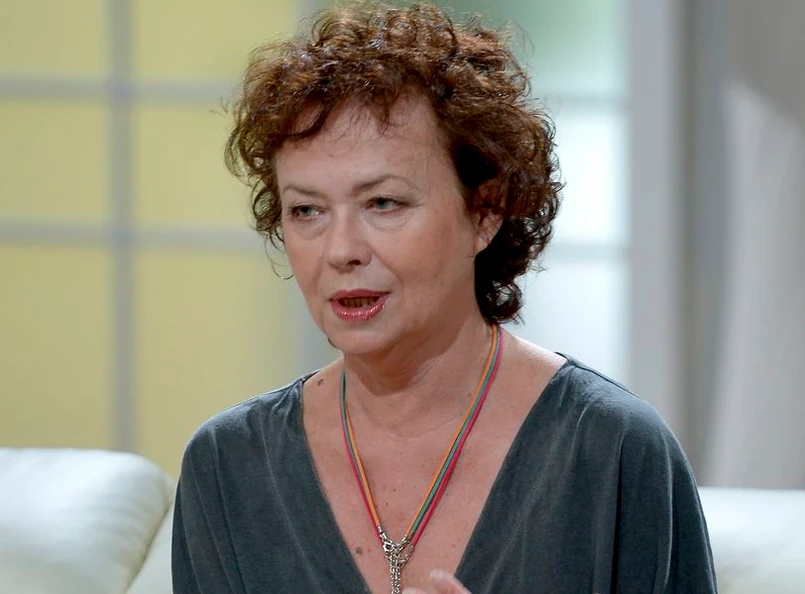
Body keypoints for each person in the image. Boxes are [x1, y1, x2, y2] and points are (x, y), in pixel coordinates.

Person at [171, 3, 717, 593]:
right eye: (307, 210)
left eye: (383, 203)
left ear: (485, 211)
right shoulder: (227, 466)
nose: (341, 250)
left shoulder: (613, 451)